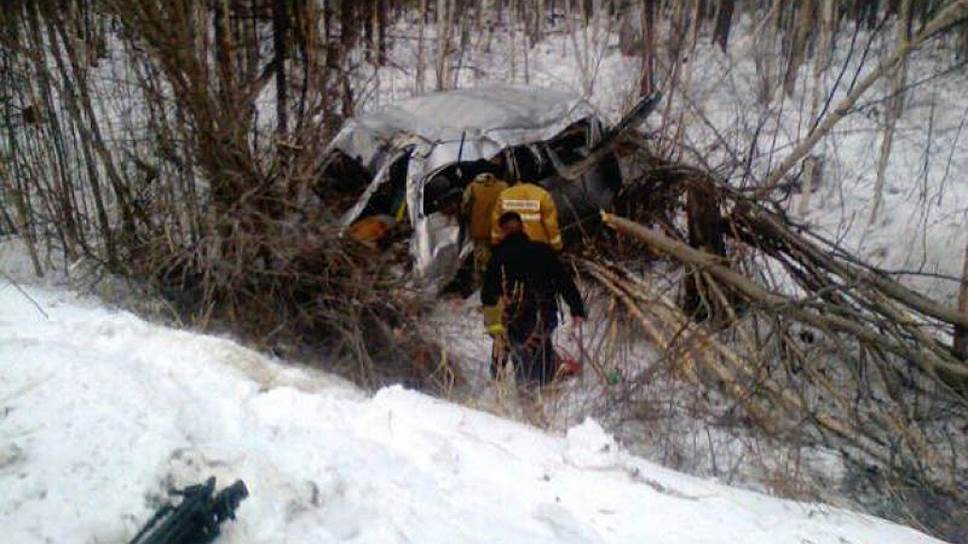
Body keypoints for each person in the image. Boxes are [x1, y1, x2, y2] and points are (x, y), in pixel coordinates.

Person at [481, 211, 586, 385]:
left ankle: (513, 394)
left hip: (515, 320)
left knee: (520, 360)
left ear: (502, 231)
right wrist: (577, 309)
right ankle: (541, 390)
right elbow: (564, 281)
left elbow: (488, 296)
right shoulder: (543, 251)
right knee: (540, 353)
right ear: (523, 227)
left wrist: (494, 328)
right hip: (544, 316)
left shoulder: (498, 257)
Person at [490, 176, 563, 251]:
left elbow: (496, 222)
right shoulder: (542, 195)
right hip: (538, 246)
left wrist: (495, 244)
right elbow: (550, 223)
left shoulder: (504, 195)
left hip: (511, 246)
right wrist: (557, 247)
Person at [462, 171, 508, 282]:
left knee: (483, 268)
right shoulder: (504, 186)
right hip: (501, 232)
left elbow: (464, 209)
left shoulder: (472, 187)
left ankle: (485, 290)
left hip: (480, 233)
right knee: (502, 264)